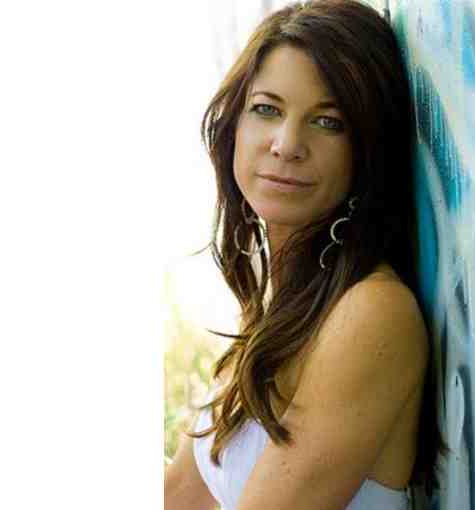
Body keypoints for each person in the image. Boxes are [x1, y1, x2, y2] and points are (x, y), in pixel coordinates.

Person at [164, 1, 445, 508]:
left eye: (328, 122)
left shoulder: (371, 312)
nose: (287, 144)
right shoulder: (279, 308)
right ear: (234, 125)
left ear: (367, 152)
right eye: (267, 109)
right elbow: (181, 496)